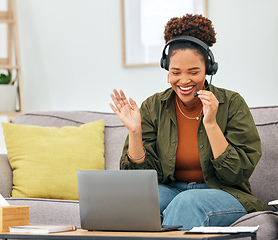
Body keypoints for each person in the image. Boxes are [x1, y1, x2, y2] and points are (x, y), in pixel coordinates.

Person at [110, 14, 265, 230]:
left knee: (187, 203)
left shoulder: (232, 104)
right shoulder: (154, 106)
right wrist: (135, 131)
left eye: (194, 72)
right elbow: (138, 180)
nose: (184, 81)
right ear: (167, 70)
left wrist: (211, 124)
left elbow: (236, 173)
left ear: (208, 70)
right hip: (172, 189)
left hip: (225, 193)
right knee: (133, 200)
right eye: (176, 72)